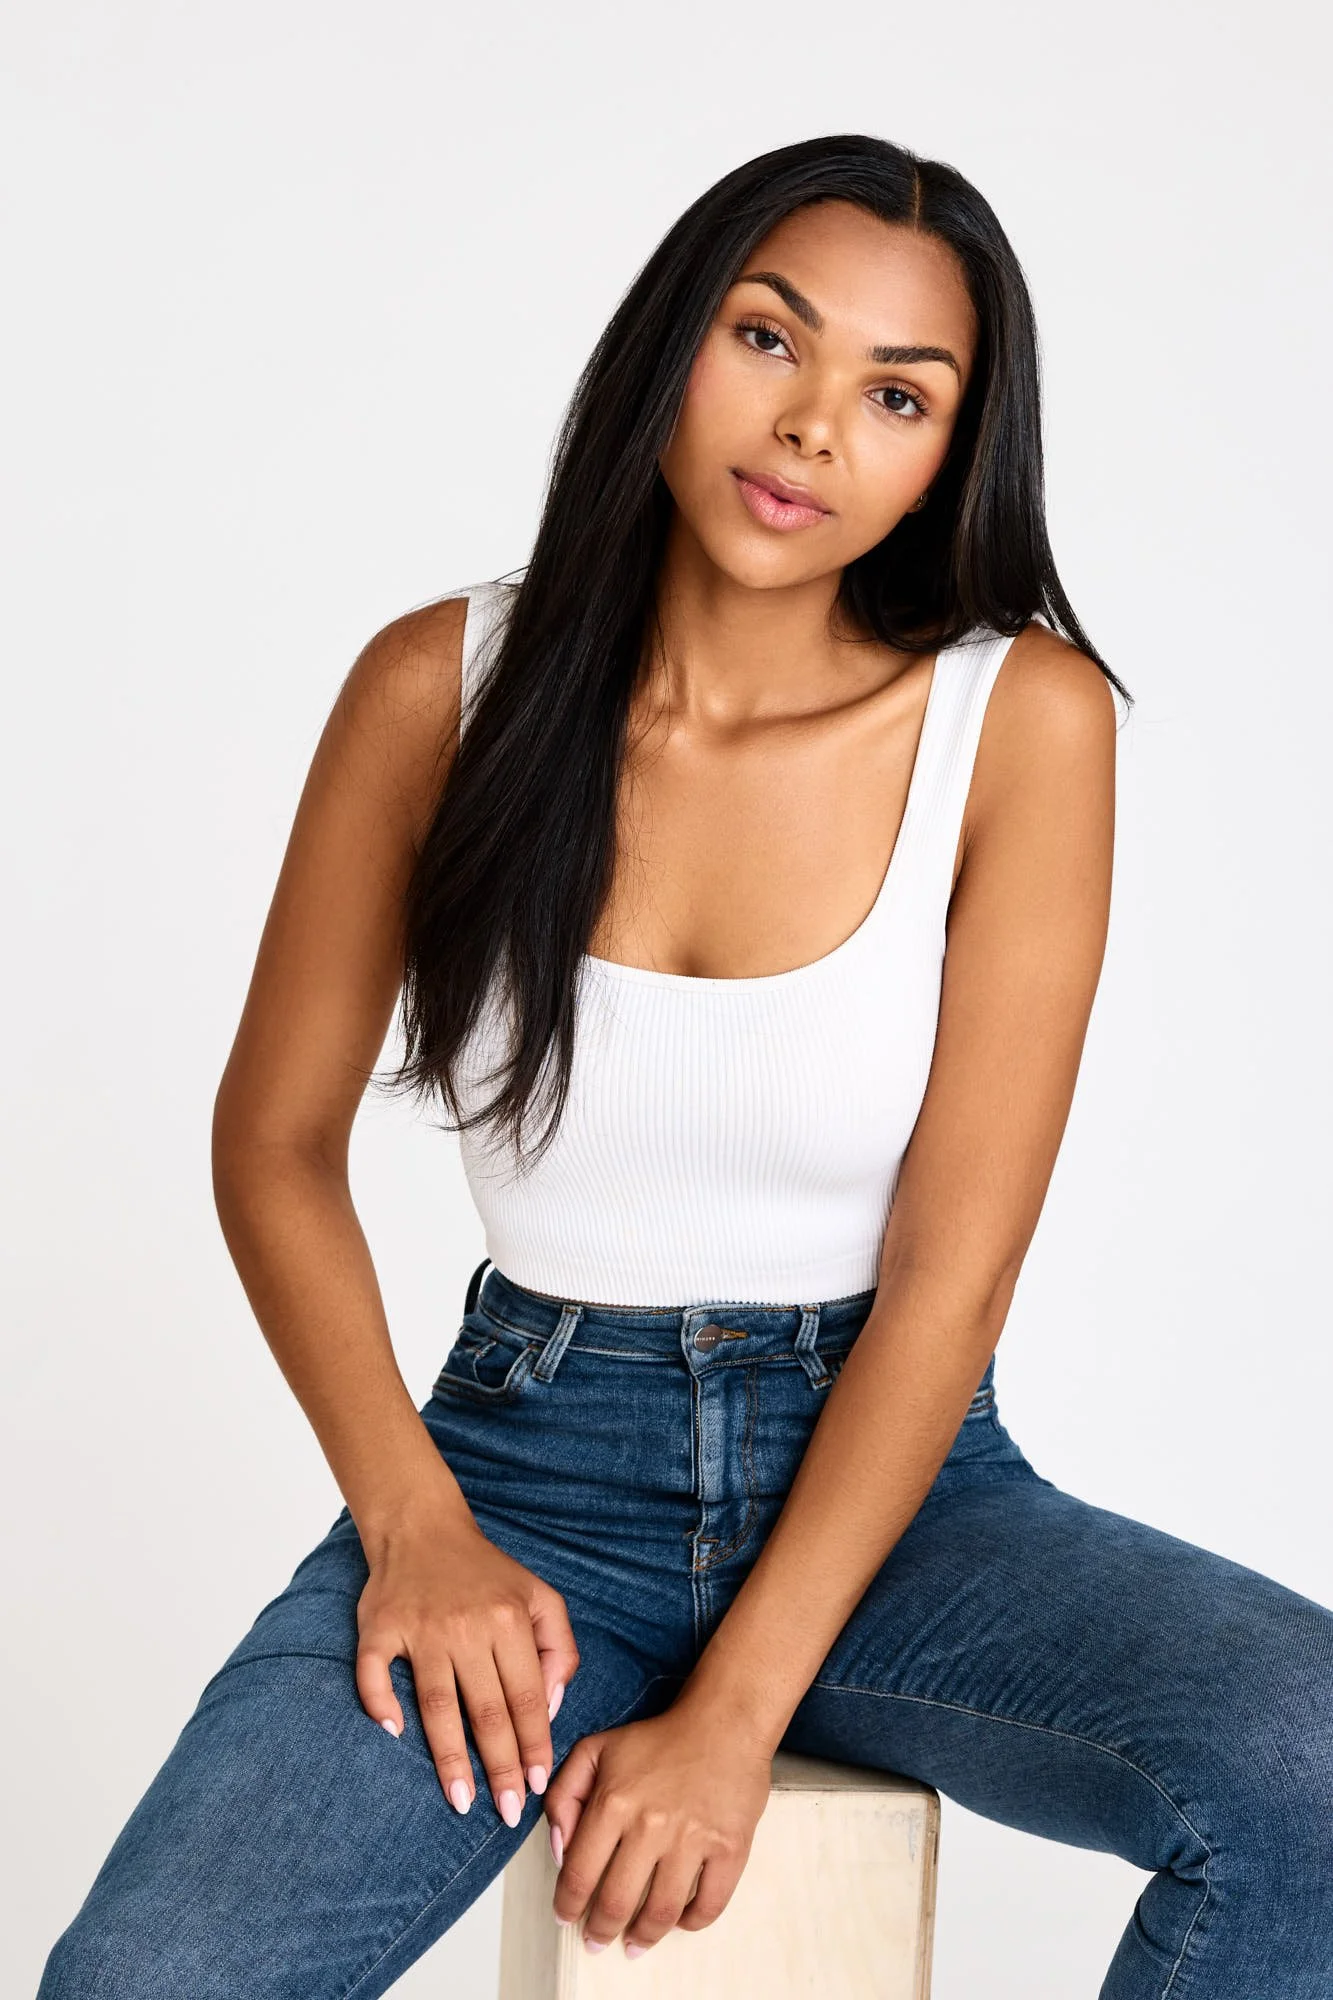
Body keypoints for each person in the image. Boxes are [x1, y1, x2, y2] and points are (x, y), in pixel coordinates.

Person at [38, 132, 1332, 2000]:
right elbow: (275, 1145)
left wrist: (734, 1713)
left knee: (1309, 1766)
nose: (812, 426)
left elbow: (952, 1280)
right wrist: (415, 1527)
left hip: (905, 1499)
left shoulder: (1021, 720)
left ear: (950, 456)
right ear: (673, 342)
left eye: (898, 394)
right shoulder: (437, 690)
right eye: (768, 338)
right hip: (521, 1483)